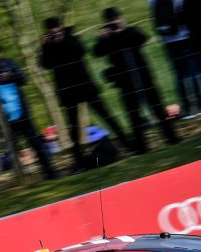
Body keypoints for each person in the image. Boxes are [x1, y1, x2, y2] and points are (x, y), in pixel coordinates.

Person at [40, 16, 132, 172]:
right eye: (51, 30)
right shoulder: (48, 45)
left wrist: (63, 39)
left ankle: (127, 143)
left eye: (56, 29)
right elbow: (45, 64)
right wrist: (45, 46)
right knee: (74, 127)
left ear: (60, 27)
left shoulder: (71, 37)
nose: (54, 32)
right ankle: (78, 161)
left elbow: (81, 51)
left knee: (106, 115)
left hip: (84, 86)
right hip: (68, 91)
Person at [93, 7, 180, 154]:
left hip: (143, 76)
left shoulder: (130, 31)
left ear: (120, 18)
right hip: (125, 82)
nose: (113, 23)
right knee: (133, 115)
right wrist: (103, 38)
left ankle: (171, 137)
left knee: (158, 109)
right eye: (110, 21)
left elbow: (142, 38)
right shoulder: (107, 39)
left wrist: (123, 29)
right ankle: (141, 147)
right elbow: (97, 52)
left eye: (115, 19)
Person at [0, 39, 58, 180]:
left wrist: (11, 76)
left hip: (21, 111)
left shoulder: (8, 62)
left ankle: (50, 173)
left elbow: (22, 79)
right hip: (2, 117)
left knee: (35, 143)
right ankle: (20, 178)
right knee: (11, 148)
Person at [151, 0, 201, 116]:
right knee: (194, 72)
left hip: (168, 41)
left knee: (179, 76)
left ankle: (186, 109)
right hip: (184, 37)